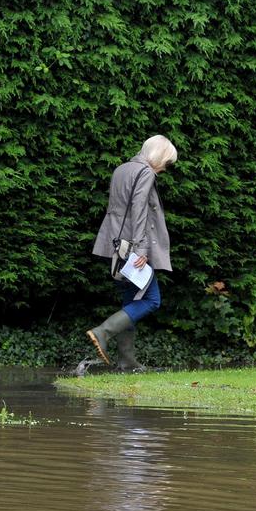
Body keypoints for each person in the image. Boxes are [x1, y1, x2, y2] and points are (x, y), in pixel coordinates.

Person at [88, 134, 177, 371]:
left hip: (115, 244)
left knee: (130, 301)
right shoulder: (145, 172)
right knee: (151, 300)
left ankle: (127, 362)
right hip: (133, 247)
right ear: (159, 156)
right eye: (167, 162)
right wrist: (141, 249)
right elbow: (139, 211)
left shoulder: (122, 169)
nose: (166, 168)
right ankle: (103, 332)